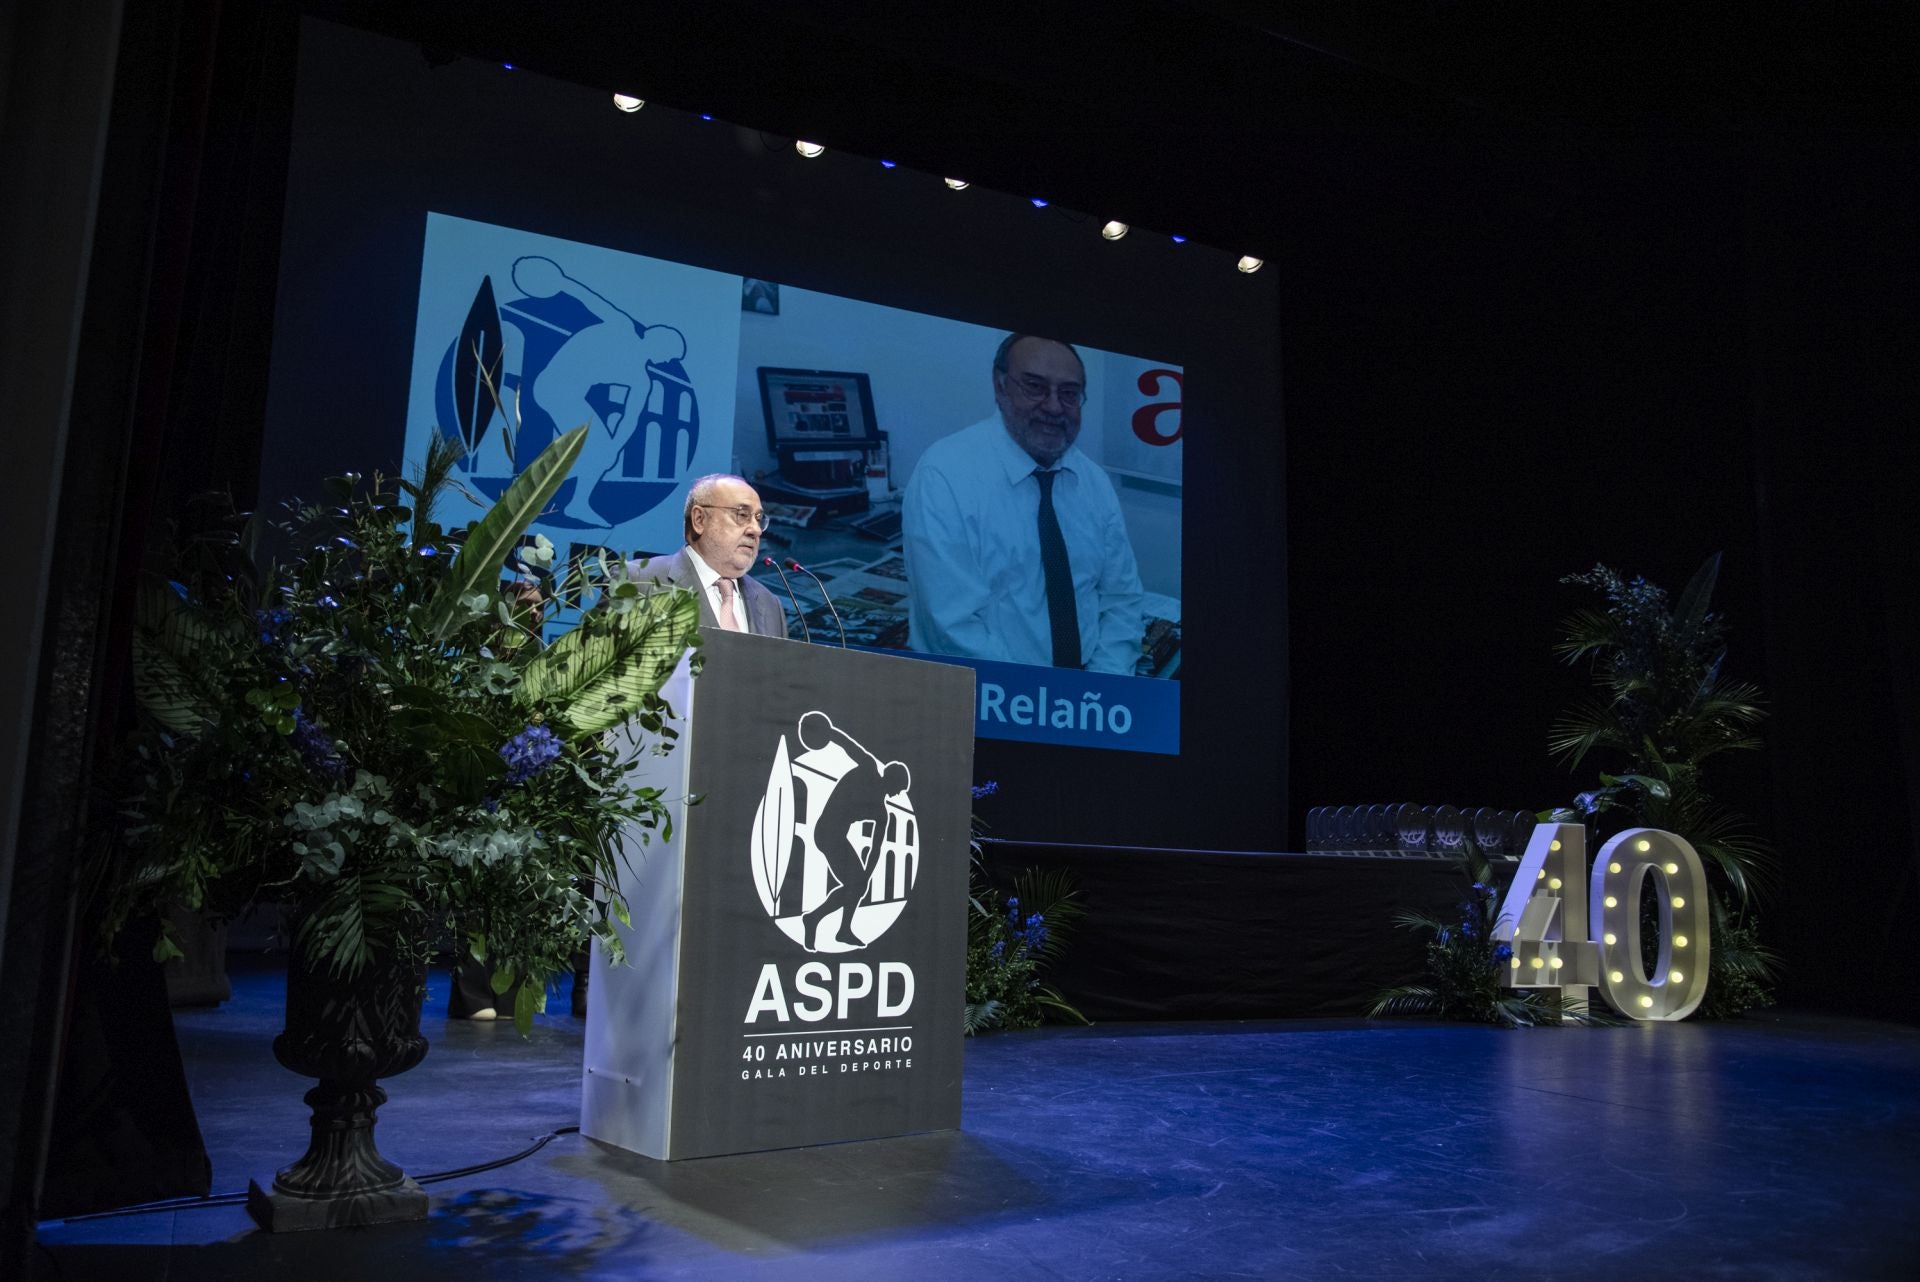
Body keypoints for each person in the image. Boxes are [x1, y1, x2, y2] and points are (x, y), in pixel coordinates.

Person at [902, 334, 1145, 674]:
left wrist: (1101, 688)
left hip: (1086, 694)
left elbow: (1122, 600)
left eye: (1069, 394)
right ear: (1000, 387)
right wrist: (1037, 705)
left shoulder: (1093, 480)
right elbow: (951, 628)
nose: (1054, 407)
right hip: (986, 697)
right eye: (1034, 387)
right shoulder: (944, 476)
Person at [621, 474, 789, 636]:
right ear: (699, 519)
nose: (756, 530)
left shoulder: (771, 605)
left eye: (758, 519)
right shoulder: (638, 582)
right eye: (742, 515)